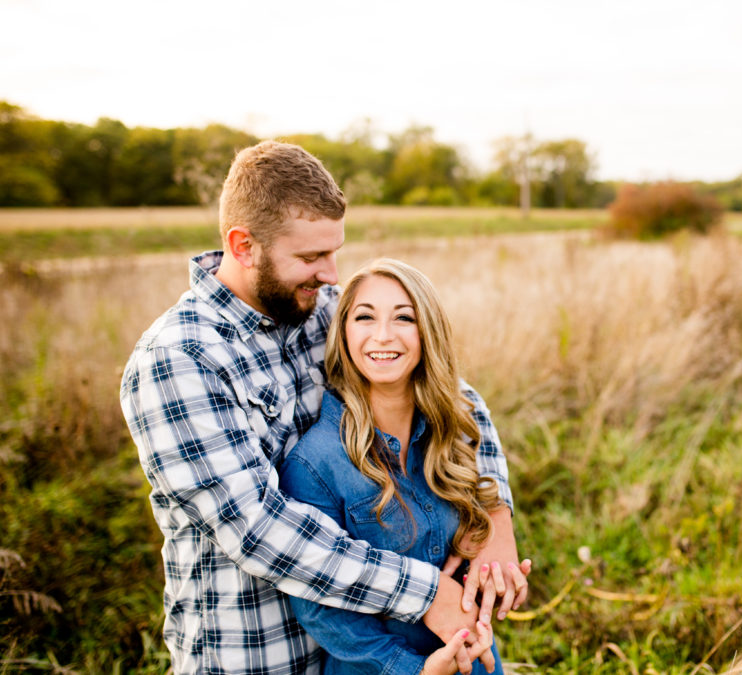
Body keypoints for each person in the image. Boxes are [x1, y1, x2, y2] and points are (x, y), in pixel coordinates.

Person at [120, 140, 527, 675]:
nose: (332, 273)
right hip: (255, 654)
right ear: (243, 246)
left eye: (334, 251)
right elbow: (258, 531)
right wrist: (427, 593)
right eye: (311, 257)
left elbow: (453, 396)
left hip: (362, 651)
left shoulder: (322, 310)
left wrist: (494, 519)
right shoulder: (179, 359)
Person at [279, 258, 523, 674]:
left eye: (404, 318)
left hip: (477, 662)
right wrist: (414, 668)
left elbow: (478, 528)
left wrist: (495, 576)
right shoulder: (315, 461)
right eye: (365, 317)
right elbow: (319, 610)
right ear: (343, 333)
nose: (383, 336)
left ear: (427, 332)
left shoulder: (453, 428)